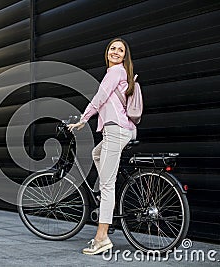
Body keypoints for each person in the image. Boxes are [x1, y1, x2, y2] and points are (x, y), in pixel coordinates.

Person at [67, 38, 137, 255]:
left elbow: (100, 97)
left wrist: (83, 119)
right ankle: (108, 188)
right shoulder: (117, 73)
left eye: (120, 50)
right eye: (113, 48)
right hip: (117, 130)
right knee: (96, 153)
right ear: (107, 52)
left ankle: (101, 237)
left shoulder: (116, 72)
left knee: (107, 187)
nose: (116, 52)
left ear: (125, 57)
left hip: (116, 131)